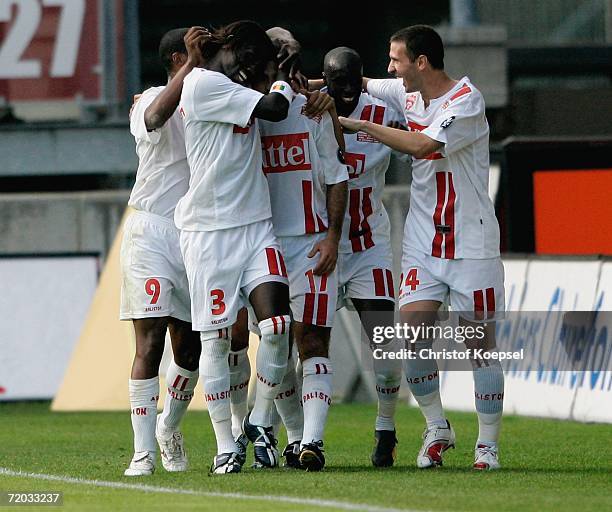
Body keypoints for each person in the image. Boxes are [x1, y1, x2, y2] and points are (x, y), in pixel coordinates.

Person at [338, 25, 505, 470]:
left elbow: (426, 145)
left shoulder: (466, 101)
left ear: (421, 62)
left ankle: (487, 444)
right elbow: (355, 82)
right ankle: (437, 427)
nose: (390, 68)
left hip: (472, 242)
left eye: (396, 60)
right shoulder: (406, 92)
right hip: (422, 241)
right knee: (411, 335)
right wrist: (303, 88)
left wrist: (360, 126)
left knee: (479, 344)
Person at [176, 20, 297, 474]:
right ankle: (225, 443)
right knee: (216, 339)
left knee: (278, 323)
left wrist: (282, 61)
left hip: (255, 225)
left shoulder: (228, 82)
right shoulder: (204, 83)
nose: (257, 73)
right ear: (242, 57)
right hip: (208, 233)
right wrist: (282, 69)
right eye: (256, 64)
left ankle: (260, 422)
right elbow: (276, 107)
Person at [229, 27, 348, 472]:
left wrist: (334, 235)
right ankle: (281, 436)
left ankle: (310, 441)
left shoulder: (311, 111)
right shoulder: (242, 111)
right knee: (269, 344)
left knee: (313, 339)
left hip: (310, 242)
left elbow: (337, 176)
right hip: (258, 242)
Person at [121, 27, 207, 476]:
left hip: (195, 233)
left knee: (190, 350)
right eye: (195, 54)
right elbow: (155, 117)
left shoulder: (210, 96)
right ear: (178, 57)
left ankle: (168, 428)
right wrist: (192, 65)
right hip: (152, 230)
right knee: (150, 341)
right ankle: (142, 453)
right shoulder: (148, 98)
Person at [322, 46, 405, 468]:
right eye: (338, 83)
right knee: (298, 347)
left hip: (368, 243)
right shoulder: (308, 110)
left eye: (354, 81)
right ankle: (297, 436)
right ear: (325, 81)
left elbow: (426, 124)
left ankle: (386, 427)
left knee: (385, 350)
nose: (347, 91)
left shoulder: (385, 111)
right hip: (319, 246)